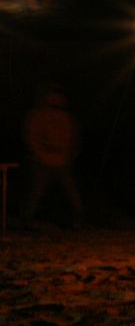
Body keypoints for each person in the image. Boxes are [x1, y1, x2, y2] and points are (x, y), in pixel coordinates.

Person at [20, 84, 85, 230]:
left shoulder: (66, 117)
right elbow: (32, 137)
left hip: (62, 161)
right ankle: (26, 220)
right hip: (43, 162)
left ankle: (79, 220)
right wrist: (39, 154)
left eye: (60, 99)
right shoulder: (37, 115)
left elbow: (74, 138)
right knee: (36, 193)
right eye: (54, 98)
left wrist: (71, 154)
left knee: (72, 193)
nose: (57, 101)